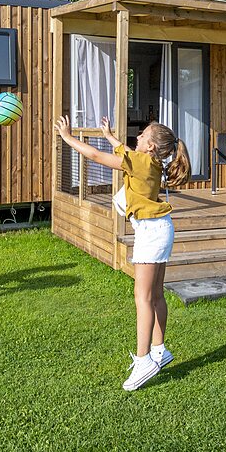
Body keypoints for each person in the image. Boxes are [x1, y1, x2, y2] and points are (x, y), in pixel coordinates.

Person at [55, 115, 190, 391]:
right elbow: (127, 152)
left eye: (142, 135)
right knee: (156, 295)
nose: (137, 137)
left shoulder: (141, 162)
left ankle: (144, 361)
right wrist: (109, 135)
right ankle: (159, 350)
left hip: (151, 233)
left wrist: (68, 138)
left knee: (142, 297)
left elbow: (95, 156)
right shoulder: (149, 162)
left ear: (150, 146)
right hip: (161, 229)